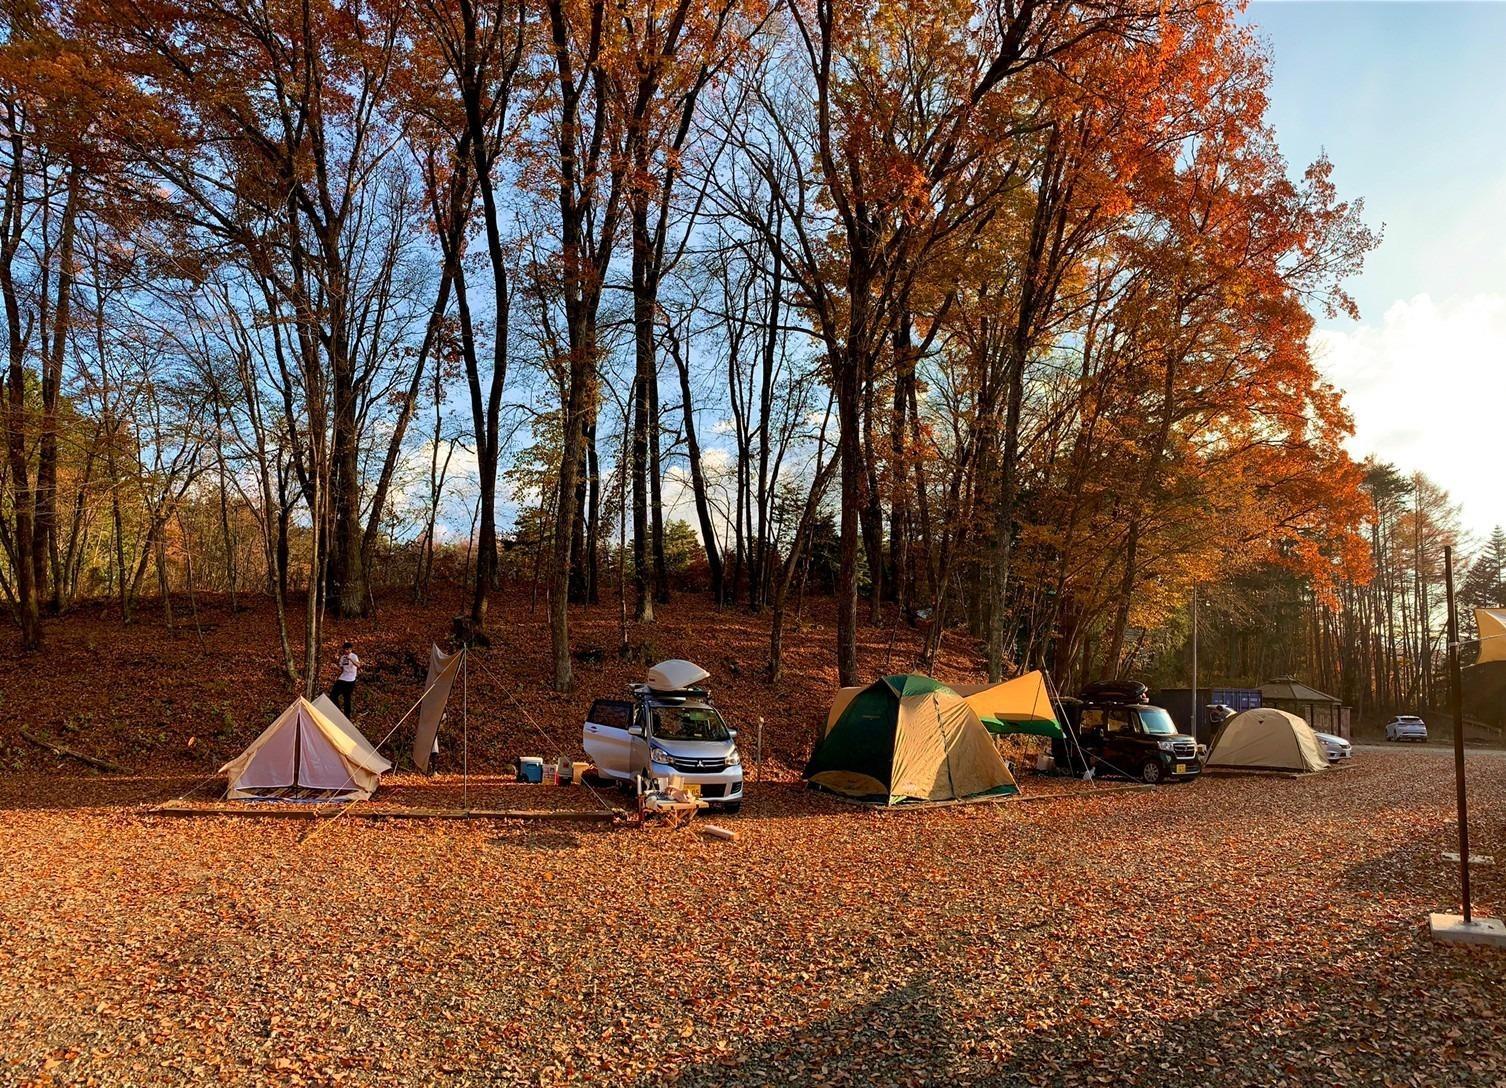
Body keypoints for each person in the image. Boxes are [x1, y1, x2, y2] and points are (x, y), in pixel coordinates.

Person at [331, 641, 359, 719]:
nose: (346, 651)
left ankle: (347, 717)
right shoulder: (342, 657)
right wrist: (335, 662)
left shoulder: (354, 656)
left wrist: (351, 659)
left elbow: (358, 665)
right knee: (333, 695)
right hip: (342, 678)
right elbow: (341, 667)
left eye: (347, 649)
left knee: (347, 698)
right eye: (345, 649)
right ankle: (338, 712)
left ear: (351, 649)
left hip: (350, 680)